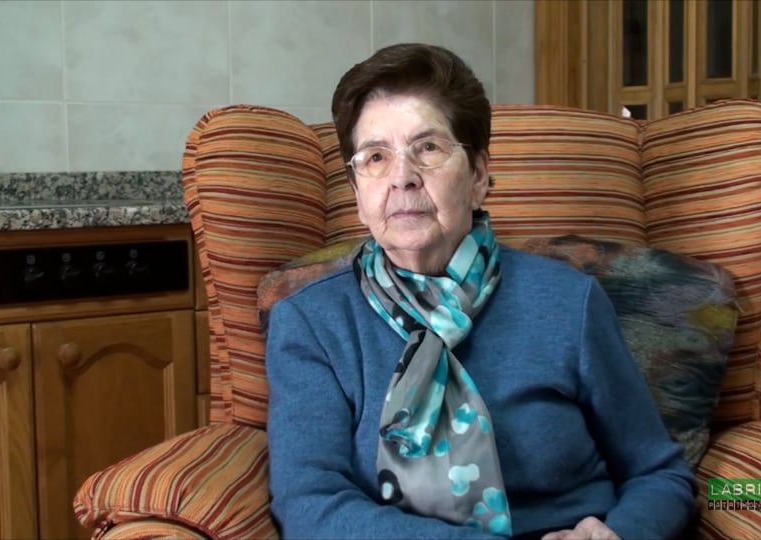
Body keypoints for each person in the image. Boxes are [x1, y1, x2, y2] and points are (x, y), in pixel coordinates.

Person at [265, 43, 696, 540]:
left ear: (478, 176)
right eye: (376, 157)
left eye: (428, 148)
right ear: (358, 194)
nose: (402, 178)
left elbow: (659, 473)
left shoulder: (569, 303)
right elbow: (309, 503)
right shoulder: (311, 323)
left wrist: (618, 534)